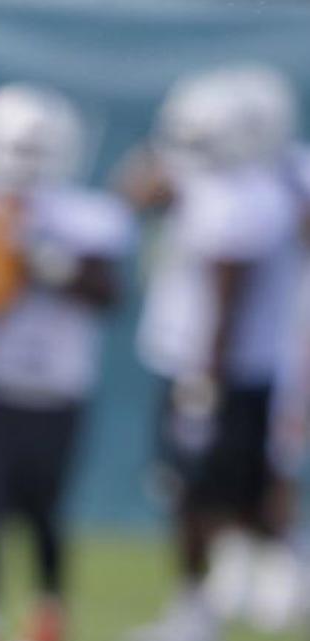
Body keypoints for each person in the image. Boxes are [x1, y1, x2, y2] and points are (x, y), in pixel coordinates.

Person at [122, 64, 308, 641]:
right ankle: (246, 580)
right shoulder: (266, 175)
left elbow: (226, 303)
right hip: (235, 361)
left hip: (216, 367)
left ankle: (199, 610)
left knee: (198, 492)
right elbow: (136, 191)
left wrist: (205, 382)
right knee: (236, 485)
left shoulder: (246, 197)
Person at [0, 84, 133, 641]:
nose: (22, 163)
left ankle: (48, 611)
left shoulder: (86, 216)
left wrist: (41, 256)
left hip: (57, 384)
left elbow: (106, 294)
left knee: (45, 509)